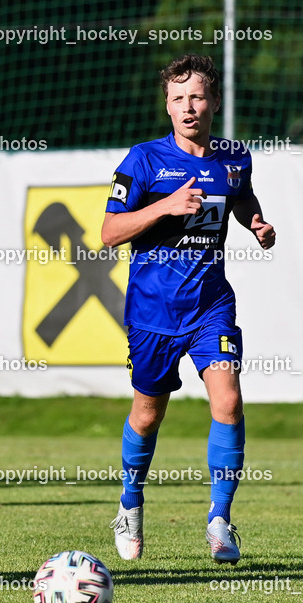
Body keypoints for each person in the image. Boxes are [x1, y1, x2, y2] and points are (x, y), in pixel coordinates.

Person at [102, 54, 275, 565]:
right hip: (153, 314)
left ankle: (220, 520)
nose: (188, 107)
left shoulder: (233, 157)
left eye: (197, 97)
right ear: (167, 107)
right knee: (148, 414)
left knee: (228, 401)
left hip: (210, 308)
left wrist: (256, 223)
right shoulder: (144, 161)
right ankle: (130, 504)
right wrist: (165, 206)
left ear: (214, 102)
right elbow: (110, 233)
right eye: (178, 99)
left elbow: (240, 195)